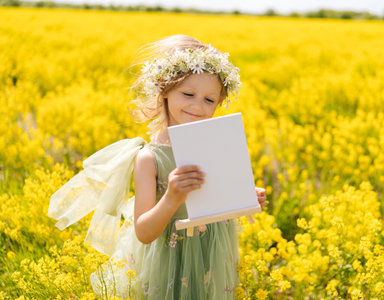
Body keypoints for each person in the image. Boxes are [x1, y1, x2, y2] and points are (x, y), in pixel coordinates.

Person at [47, 34, 266, 299]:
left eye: (210, 100)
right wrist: (172, 196)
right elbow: (144, 232)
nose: (198, 106)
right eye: (188, 94)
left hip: (211, 255)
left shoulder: (214, 144)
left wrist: (243, 196)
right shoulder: (149, 158)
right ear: (164, 89)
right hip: (166, 262)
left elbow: (214, 196)